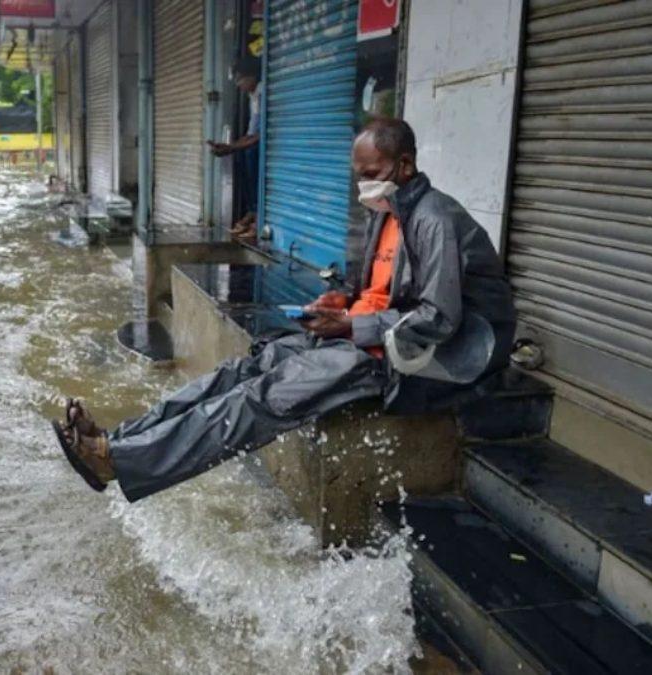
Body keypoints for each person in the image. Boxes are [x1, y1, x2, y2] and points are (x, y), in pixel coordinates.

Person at [53, 118, 517, 502]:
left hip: (423, 359)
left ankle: (117, 463)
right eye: (357, 173)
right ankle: (118, 440)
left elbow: (438, 318)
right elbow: (376, 291)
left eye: (371, 171)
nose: (362, 183)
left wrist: (356, 325)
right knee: (241, 371)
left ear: (405, 165)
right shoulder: (386, 212)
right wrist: (342, 303)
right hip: (372, 335)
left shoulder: (434, 219)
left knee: (263, 397)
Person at [208, 55, 263, 243]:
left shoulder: (264, 94)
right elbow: (252, 132)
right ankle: (253, 213)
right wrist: (231, 147)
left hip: (260, 149)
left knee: (258, 180)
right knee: (246, 167)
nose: (238, 84)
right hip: (252, 146)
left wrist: (231, 147)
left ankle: (258, 219)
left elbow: (262, 135)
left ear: (253, 76)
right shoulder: (253, 96)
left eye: (240, 78)